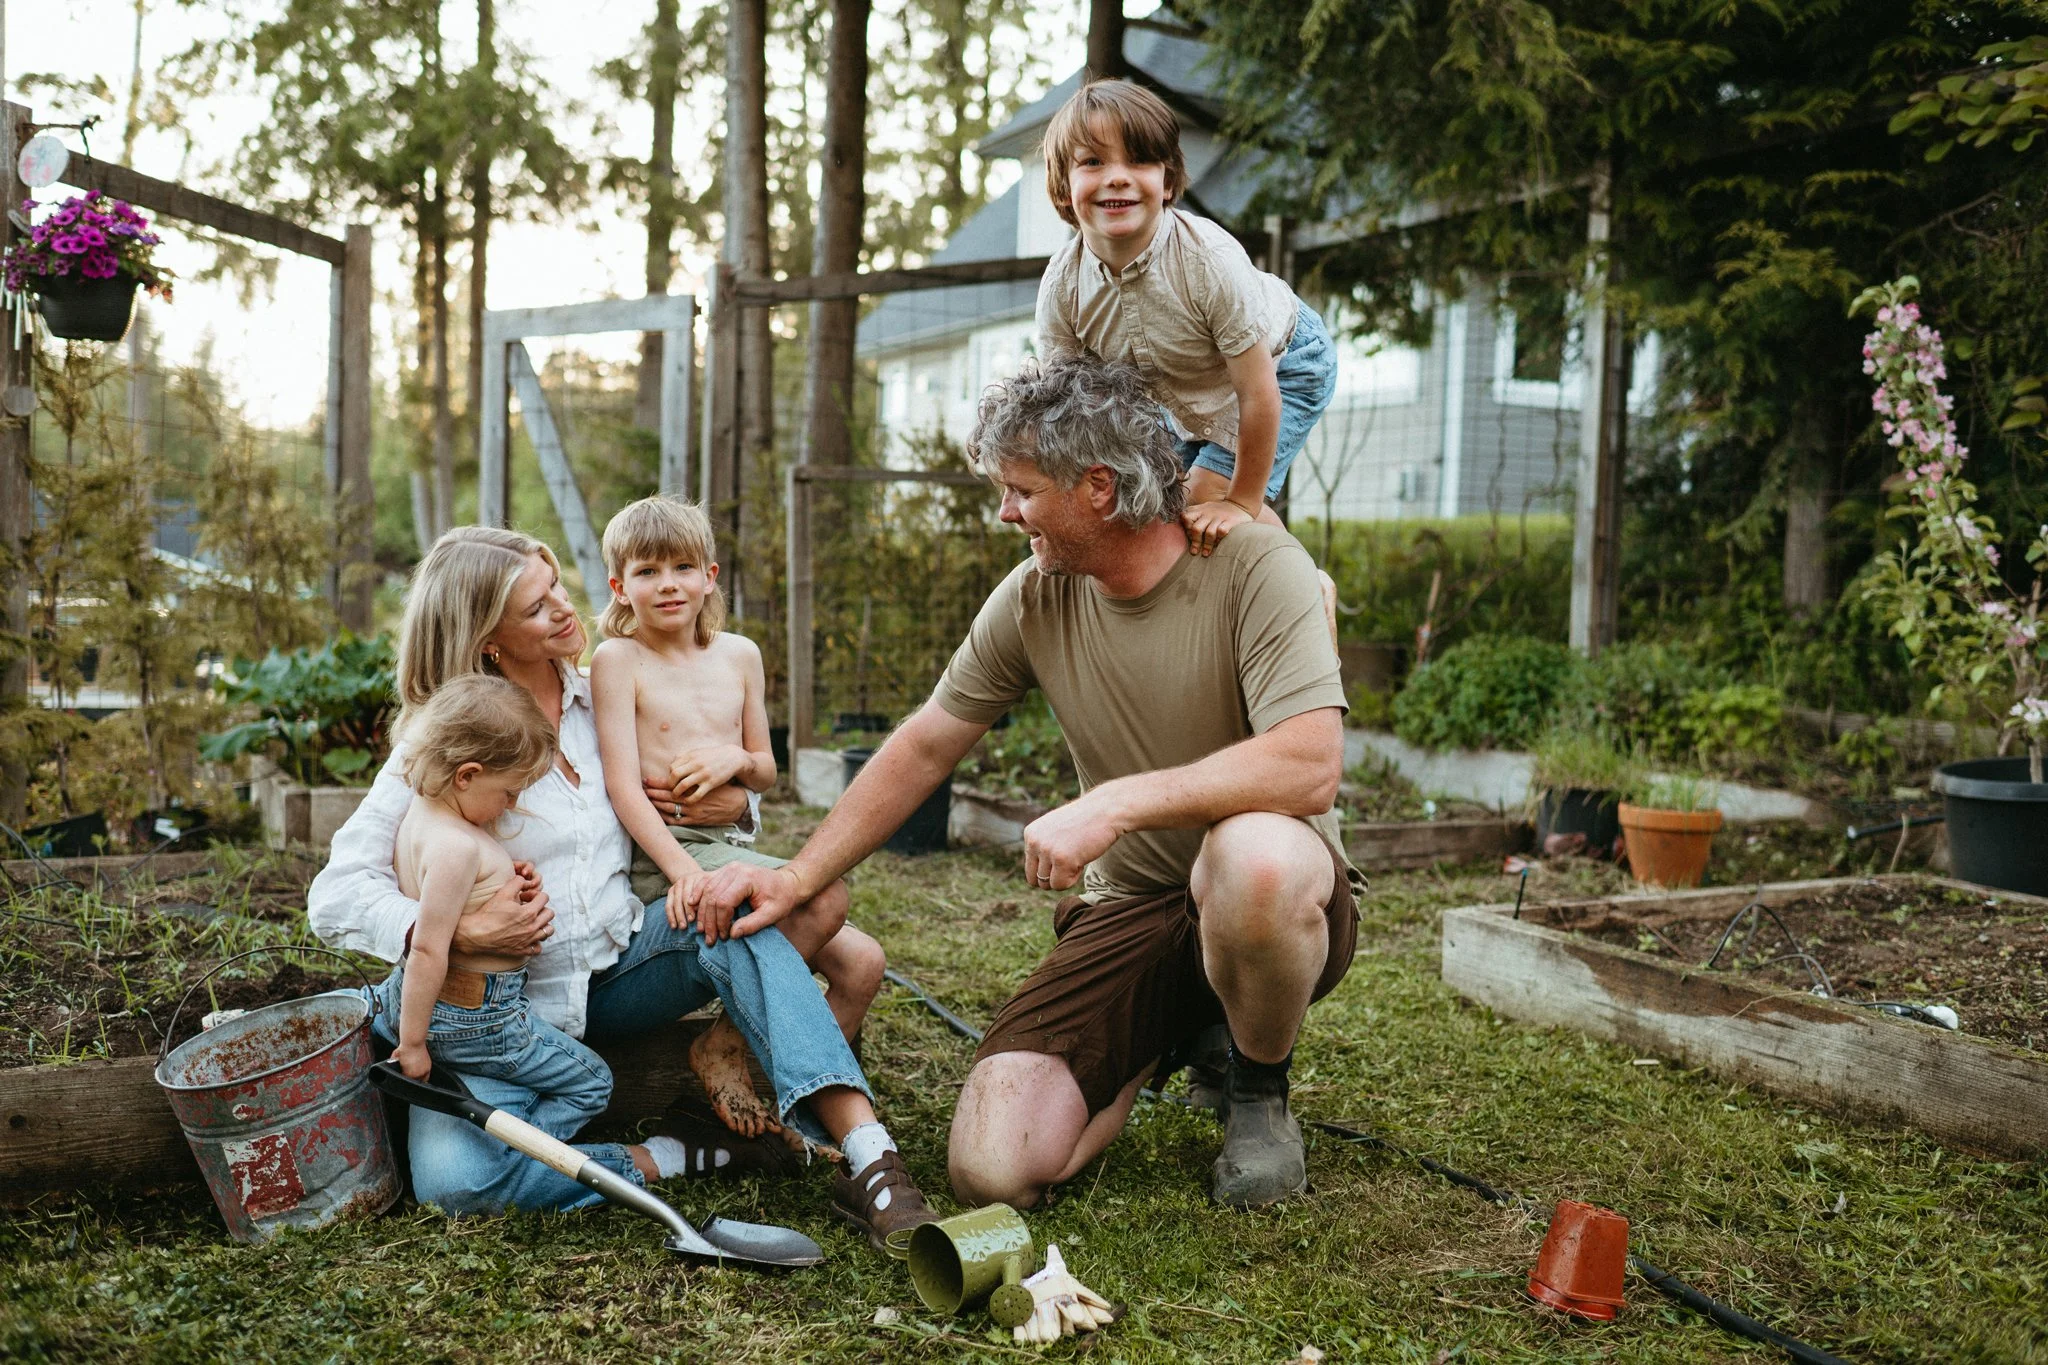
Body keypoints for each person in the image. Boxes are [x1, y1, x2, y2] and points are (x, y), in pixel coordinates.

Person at [691, 359, 1361, 1212]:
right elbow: (927, 745)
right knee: (992, 1168)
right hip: (1131, 908)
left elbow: (1309, 761)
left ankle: (1258, 1089)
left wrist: (1112, 802)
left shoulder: (1259, 566)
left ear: (1098, 488)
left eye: (1020, 490)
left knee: (1251, 857)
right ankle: (1175, 1025)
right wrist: (793, 878)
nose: (1005, 511)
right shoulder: (1037, 593)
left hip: (1274, 893)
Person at [308, 527, 936, 1256]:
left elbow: (698, 806)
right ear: (488, 640)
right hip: (506, 1015)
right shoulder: (445, 742)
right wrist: (454, 933)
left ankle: (870, 1158)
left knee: (733, 907)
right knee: (457, 1183)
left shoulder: (602, 695)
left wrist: (732, 802)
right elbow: (337, 894)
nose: (566, 610)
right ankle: (681, 1153)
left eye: (558, 587)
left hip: (619, 965)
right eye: (538, 606)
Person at [592, 494, 884, 1145]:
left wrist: (735, 759)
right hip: (668, 857)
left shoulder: (739, 654)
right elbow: (622, 787)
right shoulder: (619, 660)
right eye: (647, 571)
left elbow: (766, 770)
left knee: (863, 963)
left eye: (683, 566)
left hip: (727, 845)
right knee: (820, 897)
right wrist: (683, 873)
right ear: (619, 585)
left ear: (710, 575)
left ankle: (753, 1077)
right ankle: (728, 1057)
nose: (668, 584)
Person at [1035, 78, 1338, 575]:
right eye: (1093, 162)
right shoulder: (1064, 290)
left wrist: (1240, 502)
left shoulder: (1207, 262)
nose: (1117, 178)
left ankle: (1302, 589)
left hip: (1285, 366)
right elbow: (1066, 410)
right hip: (1186, 399)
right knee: (1151, 505)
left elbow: (1258, 393)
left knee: (1198, 506)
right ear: (1063, 187)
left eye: (1138, 160)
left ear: (1169, 181)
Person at [373, 674, 613, 1155]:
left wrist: (504, 876)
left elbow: (450, 894)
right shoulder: (457, 847)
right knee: (594, 1083)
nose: (514, 804)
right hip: (483, 1022)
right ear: (467, 775)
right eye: (509, 792)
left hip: (423, 1003)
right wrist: (413, 1044)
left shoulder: (422, 816)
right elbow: (425, 948)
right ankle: (525, 1155)